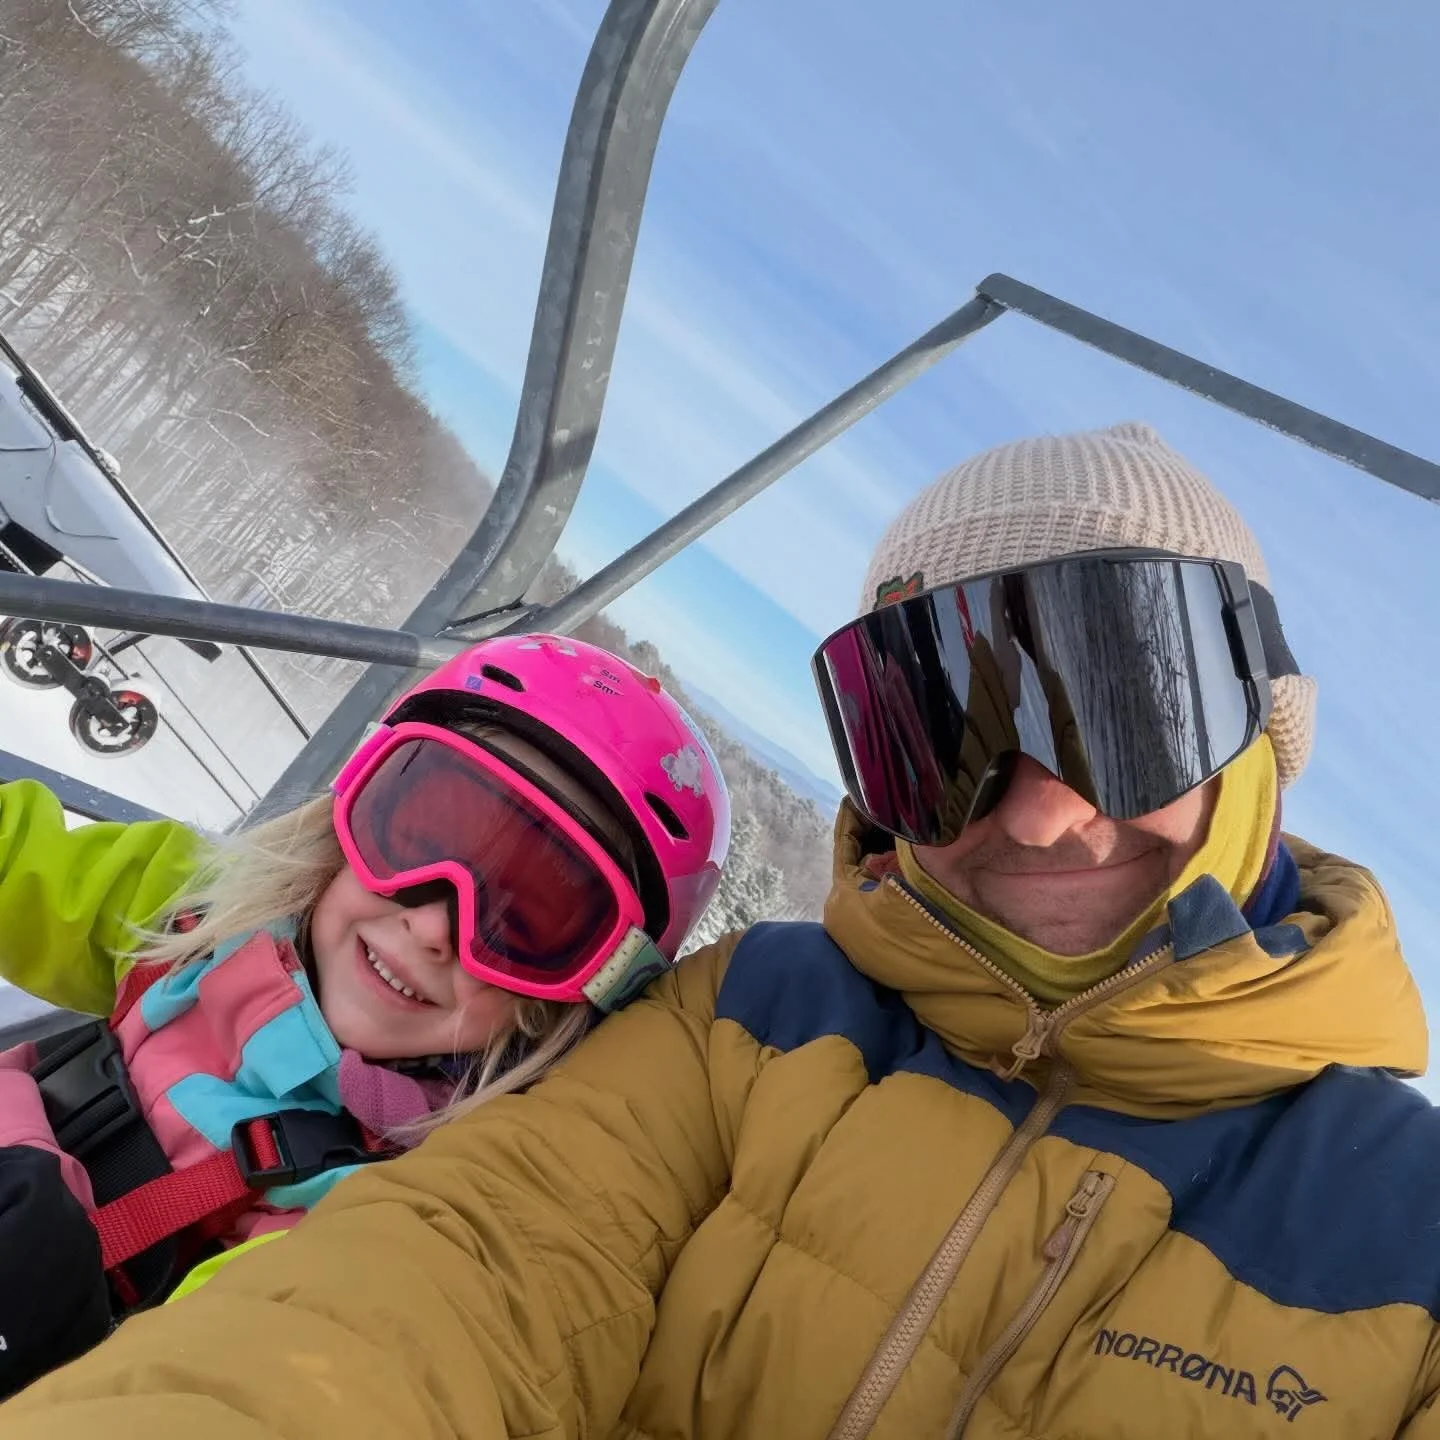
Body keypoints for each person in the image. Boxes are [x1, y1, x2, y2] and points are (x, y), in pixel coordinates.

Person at [2, 421, 1435, 1440]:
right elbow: (424, 1300)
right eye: (942, 730)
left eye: (1123, 709)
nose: (1043, 817)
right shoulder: (757, 1020)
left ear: (1256, 721)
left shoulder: (1408, 1239)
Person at [0, 632, 728, 1400]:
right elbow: (25, 864)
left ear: (583, 993)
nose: (434, 927)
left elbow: (230, 1384)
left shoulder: (387, 1216)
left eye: (529, 918)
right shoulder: (194, 915)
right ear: (356, 799)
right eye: (423, 830)